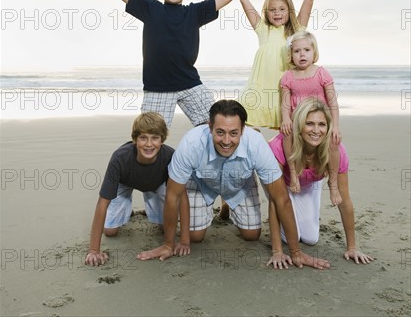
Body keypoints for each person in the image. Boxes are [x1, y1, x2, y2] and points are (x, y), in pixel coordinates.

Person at [137, 99, 330, 270]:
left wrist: (295, 252)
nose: (227, 141)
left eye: (234, 133)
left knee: (252, 235)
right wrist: (169, 245)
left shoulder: (256, 144)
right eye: (220, 132)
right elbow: (173, 196)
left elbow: (281, 198)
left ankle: (227, 203)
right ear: (209, 126)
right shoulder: (191, 143)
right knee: (195, 238)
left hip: (239, 184)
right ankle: (219, 201)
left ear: (243, 130)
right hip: (202, 182)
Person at [109, 0, 237, 128]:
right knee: (151, 136)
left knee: (218, 126)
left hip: (190, 84)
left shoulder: (195, 12)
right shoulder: (150, 8)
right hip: (157, 89)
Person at [268, 98, 373, 265]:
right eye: (309, 124)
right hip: (283, 184)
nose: (316, 130)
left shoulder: (337, 152)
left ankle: (309, 196)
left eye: (322, 124)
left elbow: (344, 200)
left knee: (310, 238)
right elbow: (276, 200)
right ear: (299, 126)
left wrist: (352, 247)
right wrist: (277, 251)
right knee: (287, 238)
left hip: (310, 182)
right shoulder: (278, 148)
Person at [237, 0, 329, 130]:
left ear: (289, 10)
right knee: (249, 127)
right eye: (272, 10)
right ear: (266, 12)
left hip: (284, 90)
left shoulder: (296, 32)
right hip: (260, 90)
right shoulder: (263, 29)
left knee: (286, 132)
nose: (277, 13)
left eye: (281, 9)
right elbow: (245, 0)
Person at [85, 112, 190, 267]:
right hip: (125, 183)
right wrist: (93, 250)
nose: (149, 144)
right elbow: (102, 203)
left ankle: (151, 209)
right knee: (110, 231)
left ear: (162, 139)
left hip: (157, 184)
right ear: (135, 139)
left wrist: (184, 241)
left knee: (165, 227)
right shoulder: (120, 158)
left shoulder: (170, 157)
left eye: (155, 138)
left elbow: (182, 197)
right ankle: (127, 210)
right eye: (143, 138)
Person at [280, 31, 342, 205]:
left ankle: (333, 182)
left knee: (333, 143)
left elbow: (333, 102)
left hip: (319, 122)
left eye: (306, 50)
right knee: (287, 135)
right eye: (297, 51)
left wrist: (335, 126)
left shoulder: (321, 73)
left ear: (314, 52)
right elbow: (285, 103)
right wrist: (285, 119)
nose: (302, 54)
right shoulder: (288, 77)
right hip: (298, 122)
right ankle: (293, 174)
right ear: (291, 55)